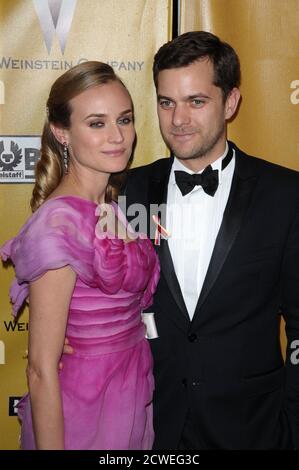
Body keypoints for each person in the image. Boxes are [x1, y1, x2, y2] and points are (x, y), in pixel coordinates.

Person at [122, 31, 299, 449]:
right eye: (167, 102)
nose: (178, 119)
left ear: (231, 102)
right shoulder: (128, 192)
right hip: (152, 427)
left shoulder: (285, 195)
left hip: (254, 428)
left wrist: (291, 424)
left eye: (196, 101)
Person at [0, 61, 159, 450]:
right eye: (97, 123)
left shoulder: (109, 206)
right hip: (83, 408)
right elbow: (40, 370)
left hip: (128, 392)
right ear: (62, 132)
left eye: (125, 119)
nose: (118, 136)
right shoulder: (60, 223)